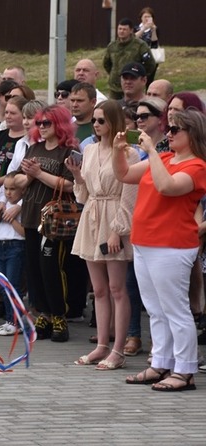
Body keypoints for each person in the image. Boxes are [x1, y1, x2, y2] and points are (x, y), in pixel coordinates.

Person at [116, 109, 206, 390]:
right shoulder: (165, 157)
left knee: (175, 309)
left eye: (175, 130)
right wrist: (119, 150)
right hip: (145, 241)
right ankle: (161, 362)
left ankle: (185, 369)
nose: (169, 133)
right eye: (169, 128)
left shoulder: (197, 166)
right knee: (156, 309)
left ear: (192, 134)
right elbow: (125, 174)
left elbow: (167, 187)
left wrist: (152, 151)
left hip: (172, 244)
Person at [68, 100, 138, 369]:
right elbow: (84, 195)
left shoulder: (127, 153)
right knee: (98, 289)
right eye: (94, 121)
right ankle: (101, 345)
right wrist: (77, 177)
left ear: (113, 122)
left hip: (113, 217)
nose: (95, 125)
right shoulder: (90, 150)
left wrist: (118, 231)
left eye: (101, 120)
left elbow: (129, 194)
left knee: (117, 288)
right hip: (93, 215)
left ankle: (118, 349)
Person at [13, 105, 79, 342]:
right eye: (39, 123)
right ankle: (44, 313)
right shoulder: (34, 148)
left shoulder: (68, 151)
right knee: (34, 269)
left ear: (58, 124)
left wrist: (39, 174)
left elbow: (70, 185)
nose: (41, 127)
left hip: (55, 220)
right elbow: (19, 181)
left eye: (46, 123)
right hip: (32, 214)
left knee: (51, 267)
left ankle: (59, 314)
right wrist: (31, 175)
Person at [0, 171, 25, 336]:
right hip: (1, 246)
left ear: (23, 190)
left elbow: (24, 232)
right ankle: (9, 320)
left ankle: (16, 321)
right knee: (3, 287)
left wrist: (11, 219)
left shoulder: (21, 207)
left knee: (13, 286)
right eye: (6, 188)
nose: (9, 192)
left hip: (16, 246)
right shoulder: (3, 205)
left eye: (13, 189)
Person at [103, 18, 155, 100]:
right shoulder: (112, 46)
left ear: (131, 30)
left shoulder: (140, 45)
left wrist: (139, 77)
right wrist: (115, 74)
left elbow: (150, 64)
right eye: (120, 29)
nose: (121, 31)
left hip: (133, 87)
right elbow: (106, 63)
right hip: (115, 88)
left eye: (124, 29)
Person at [134, 6, 160, 84]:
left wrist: (153, 30)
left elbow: (154, 42)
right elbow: (133, 38)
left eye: (149, 17)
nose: (147, 19)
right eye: (145, 16)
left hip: (150, 55)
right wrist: (143, 29)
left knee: (149, 78)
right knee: (137, 77)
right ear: (141, 18)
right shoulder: (136, 28)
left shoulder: (155, 28)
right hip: (138, 55)